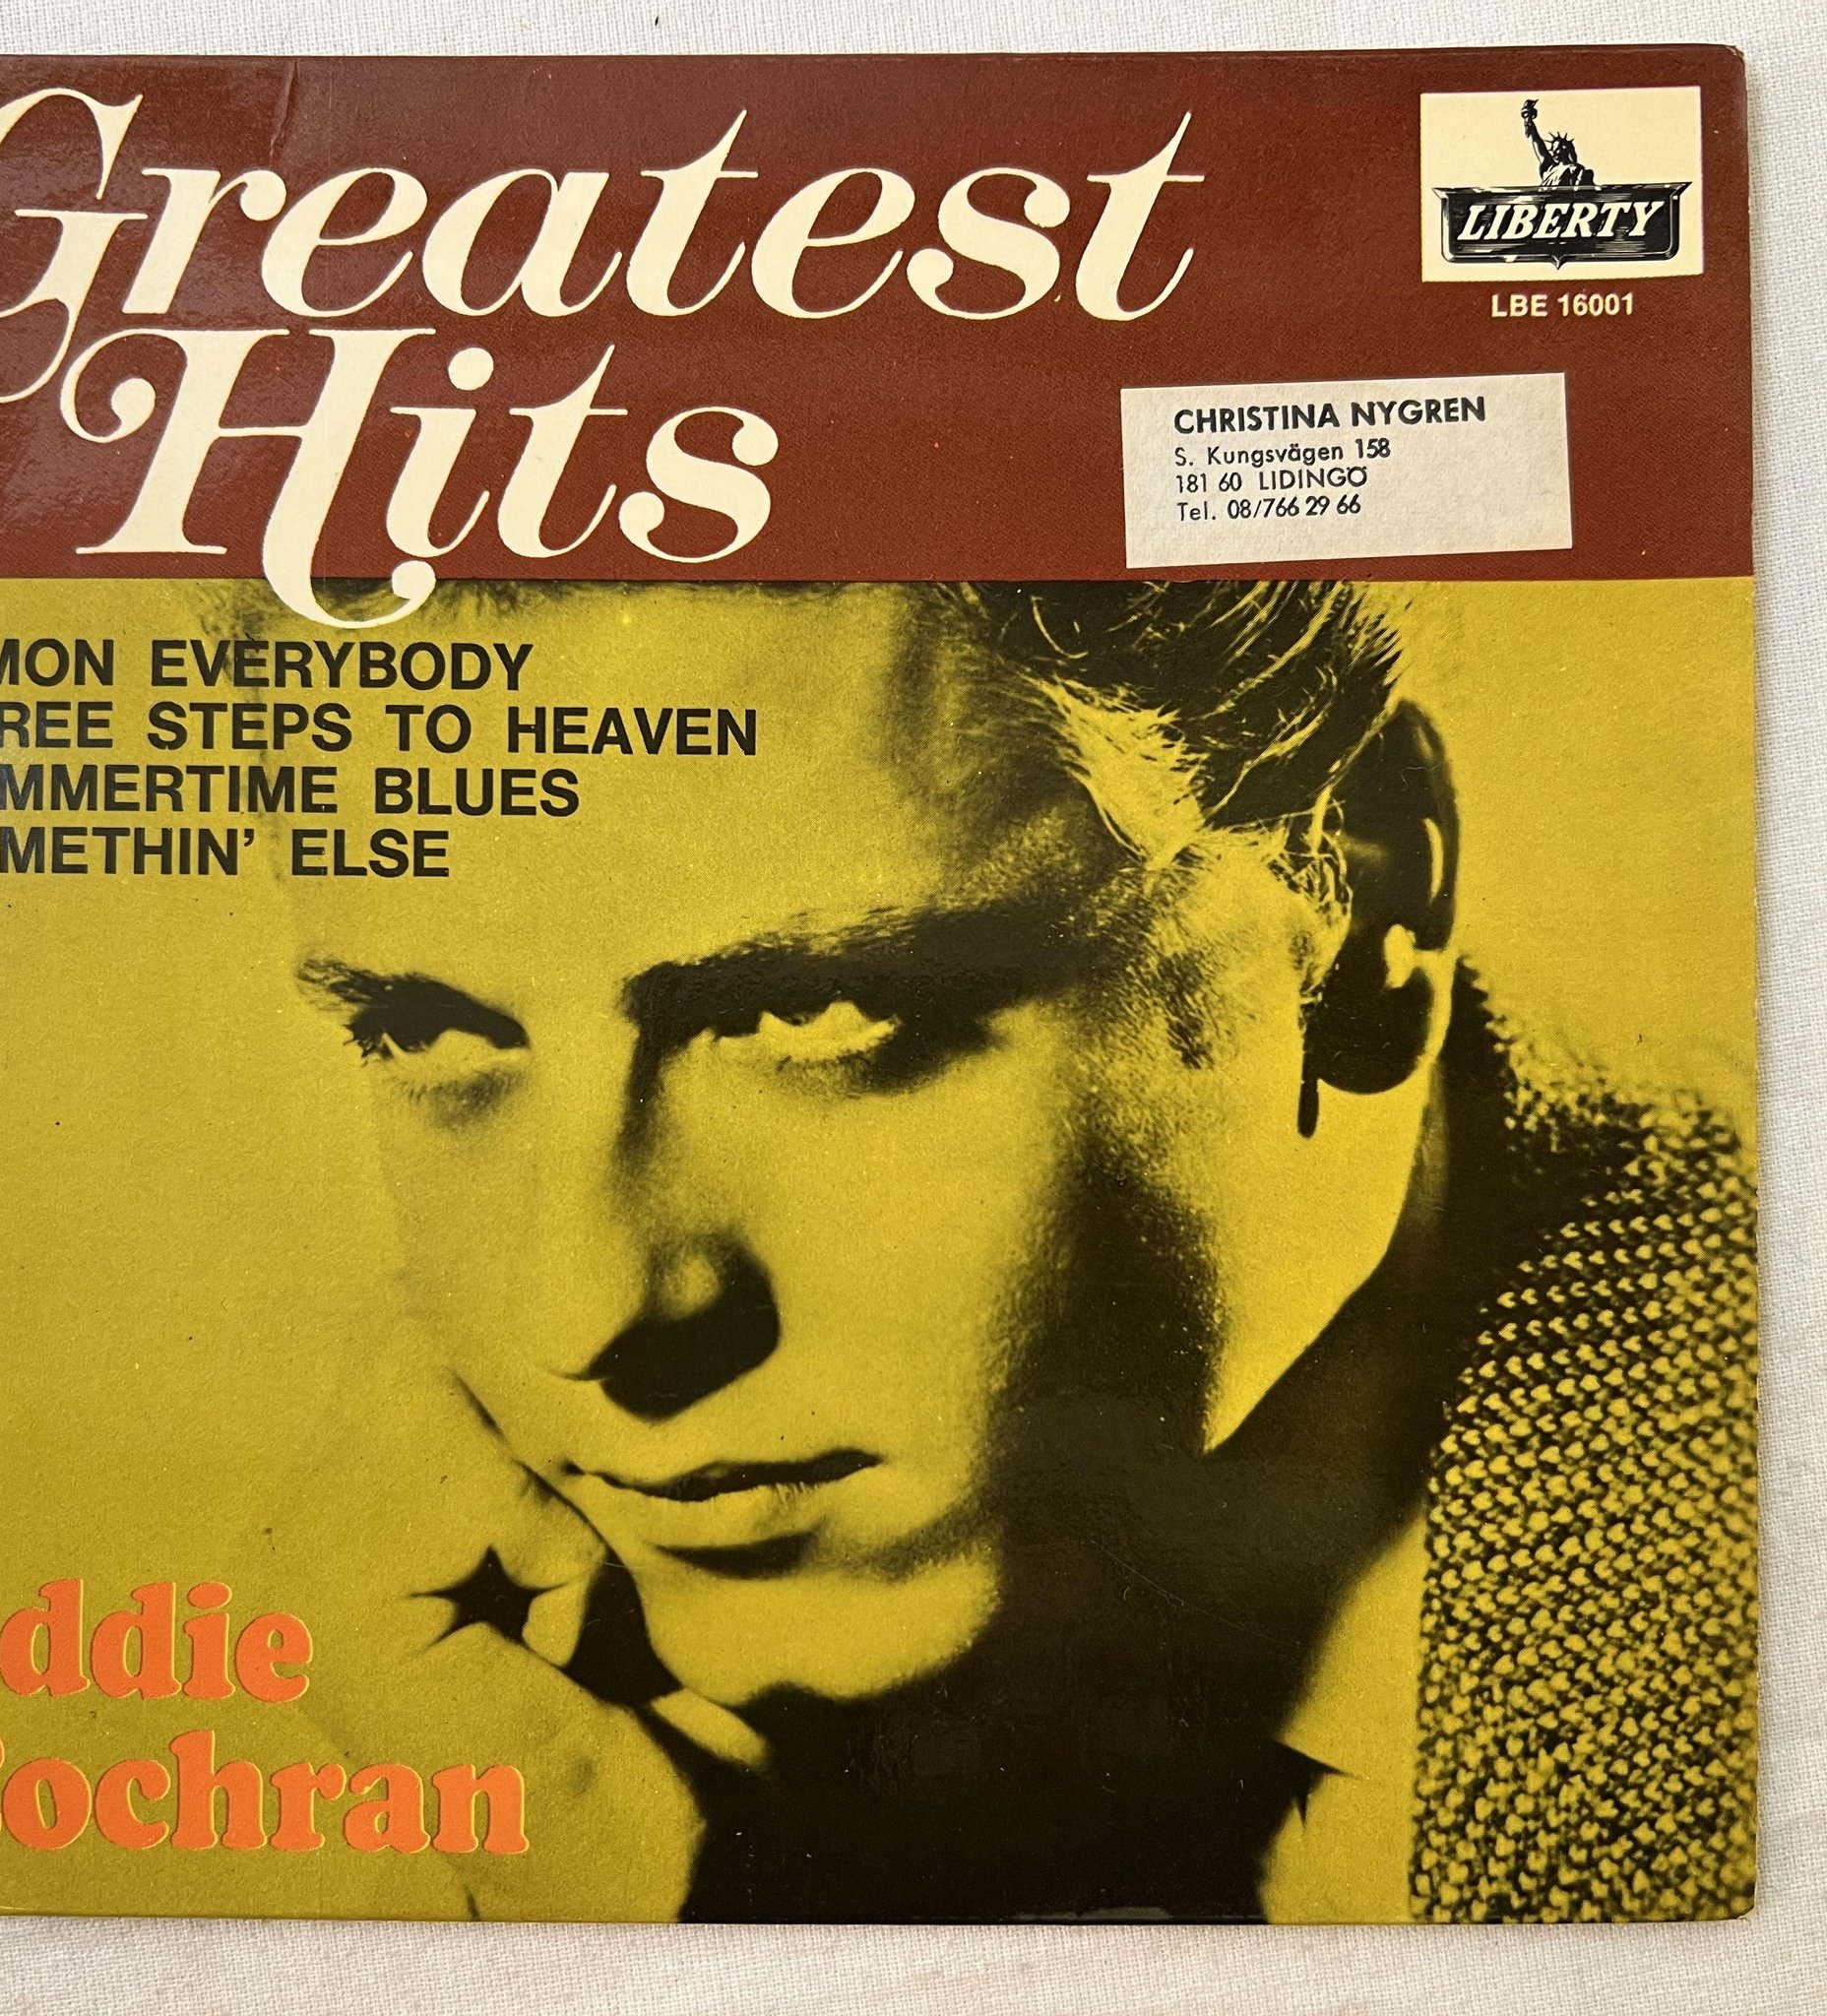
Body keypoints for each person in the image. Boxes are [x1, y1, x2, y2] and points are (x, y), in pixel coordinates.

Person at [269, 579, 1754, 1923]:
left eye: (814, 1012)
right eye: (428, 1033)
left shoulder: (1738, 1620)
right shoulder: (441, 1741)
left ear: (1361, 914)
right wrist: (617, 1875)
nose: (581, 1312)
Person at [1521, 97, 1597, 190]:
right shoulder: (1549, 168)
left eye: (1557, 149)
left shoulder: (1574, 169)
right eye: (1553, 149)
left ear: (1566, 150)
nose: (1554, 152)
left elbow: (1582, 191)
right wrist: (1528, 120)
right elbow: (1537, 141)